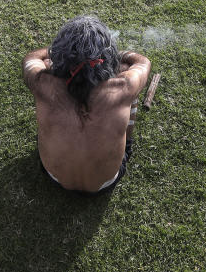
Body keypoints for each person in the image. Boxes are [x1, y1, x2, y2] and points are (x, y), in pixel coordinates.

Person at [22, 16, 151, 195]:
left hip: (54, 177)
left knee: (43, 64)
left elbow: (32, 57)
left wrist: (59, 56)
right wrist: (117, 56)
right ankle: (127, 143)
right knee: (129, 81)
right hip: (105, 183)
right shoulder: (124, 87)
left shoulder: (42, 83)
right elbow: (142, 62)